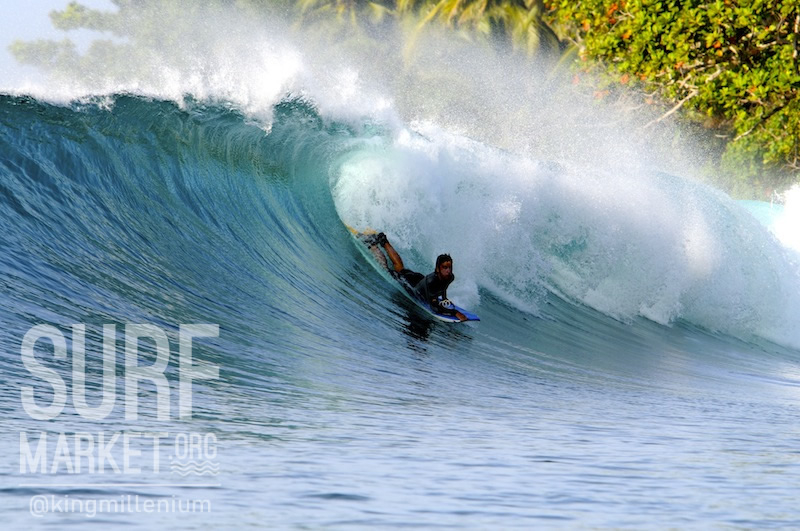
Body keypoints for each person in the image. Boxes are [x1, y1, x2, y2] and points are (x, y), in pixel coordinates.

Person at [364, 232, 468, 322]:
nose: (448, 270)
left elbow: (443, 288)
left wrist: (444, 299)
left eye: (449, 267)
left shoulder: (450, 277)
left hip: (418, 279)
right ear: (437, 269)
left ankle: (383, 240)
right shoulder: (433, 282)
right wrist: (454, 312)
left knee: (400, 268)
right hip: (410, 282)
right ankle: (372, 244)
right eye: (445, 267)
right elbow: (435, 307)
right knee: (386, 269)